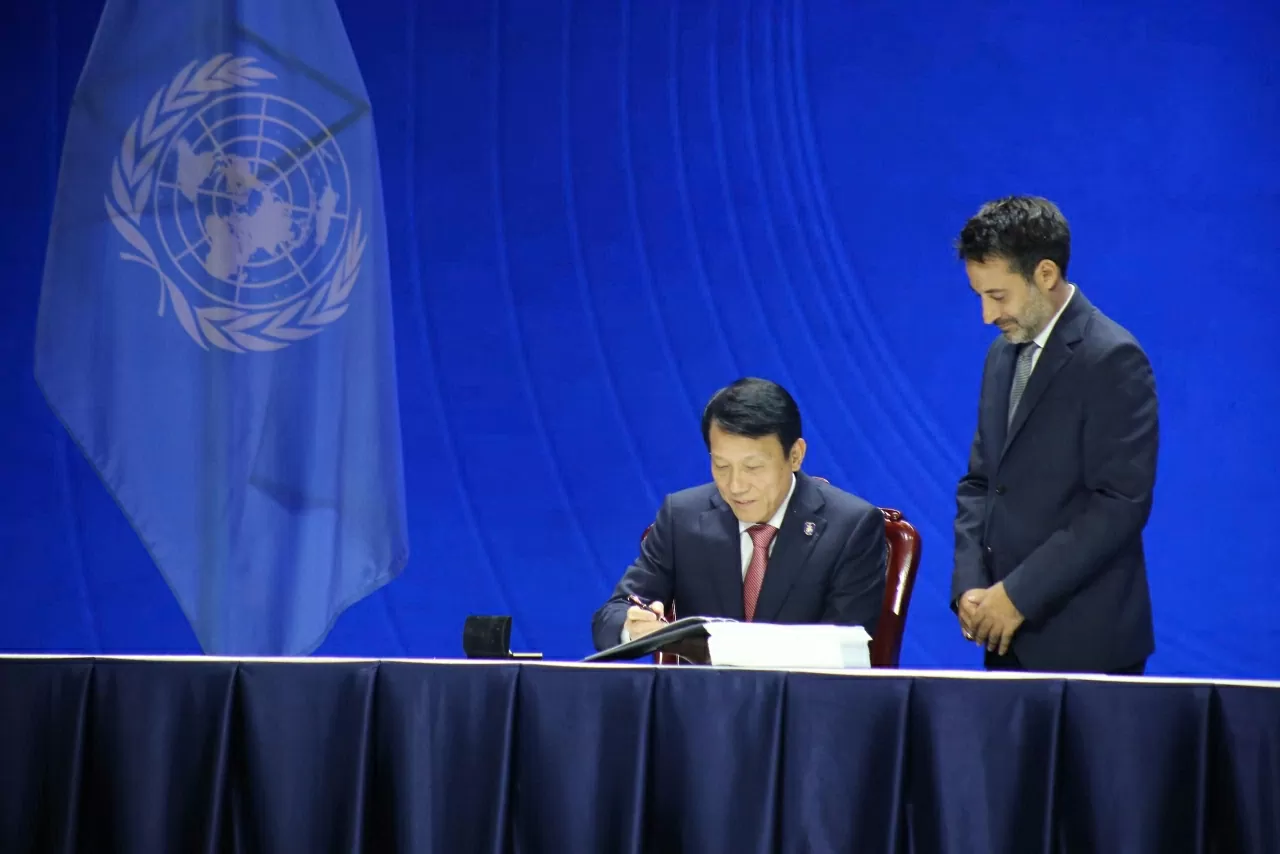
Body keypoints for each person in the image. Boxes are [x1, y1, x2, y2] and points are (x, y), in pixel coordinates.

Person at [950, 195, 1159, 674]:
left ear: (1045, 274)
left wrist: (1017, 596)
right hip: (1003, 637)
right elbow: (981, 483)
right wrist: (970, 588)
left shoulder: (1111, 358)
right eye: (979, 295)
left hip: (1085, 642)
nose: (986, 315)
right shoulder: (1000, 357)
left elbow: (1118, 504)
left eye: (998, 296)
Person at [590, 377, 887, 651]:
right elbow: (611, 615)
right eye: (721, 466)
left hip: (802, 703)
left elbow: (846, 651)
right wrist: (634, 627)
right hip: (704, 704)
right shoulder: (682, 517)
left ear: (795, 455)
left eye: (753, 467)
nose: (735, 486)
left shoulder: (851, 527)